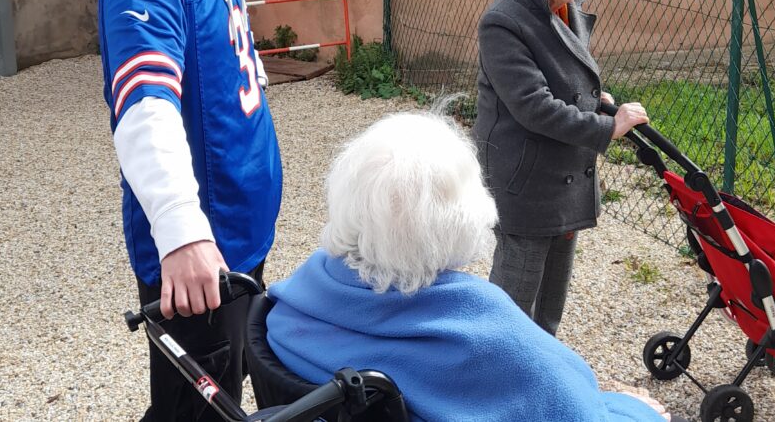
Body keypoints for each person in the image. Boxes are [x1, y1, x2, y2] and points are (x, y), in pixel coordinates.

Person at [265, 112, 673, 421]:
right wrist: (638, 410)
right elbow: (577, 412)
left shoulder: (298, 297)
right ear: (462, 216)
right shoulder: (484, 328)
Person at [97, 0, 281, 421]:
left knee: (228, 403)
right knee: (195, 415)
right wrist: (180, 233)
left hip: (238, 234)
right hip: (200, 255)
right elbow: (143, 106)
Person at [475, 0, 649, 336]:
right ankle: (497, 376)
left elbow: (565, 74)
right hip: (528, 178)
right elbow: (533, 105)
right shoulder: (504, 22)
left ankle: (542, 374)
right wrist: (607, 128)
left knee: (550, 302)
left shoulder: (563, 6)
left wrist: (597, 101)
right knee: (515, 300)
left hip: (562, 174)